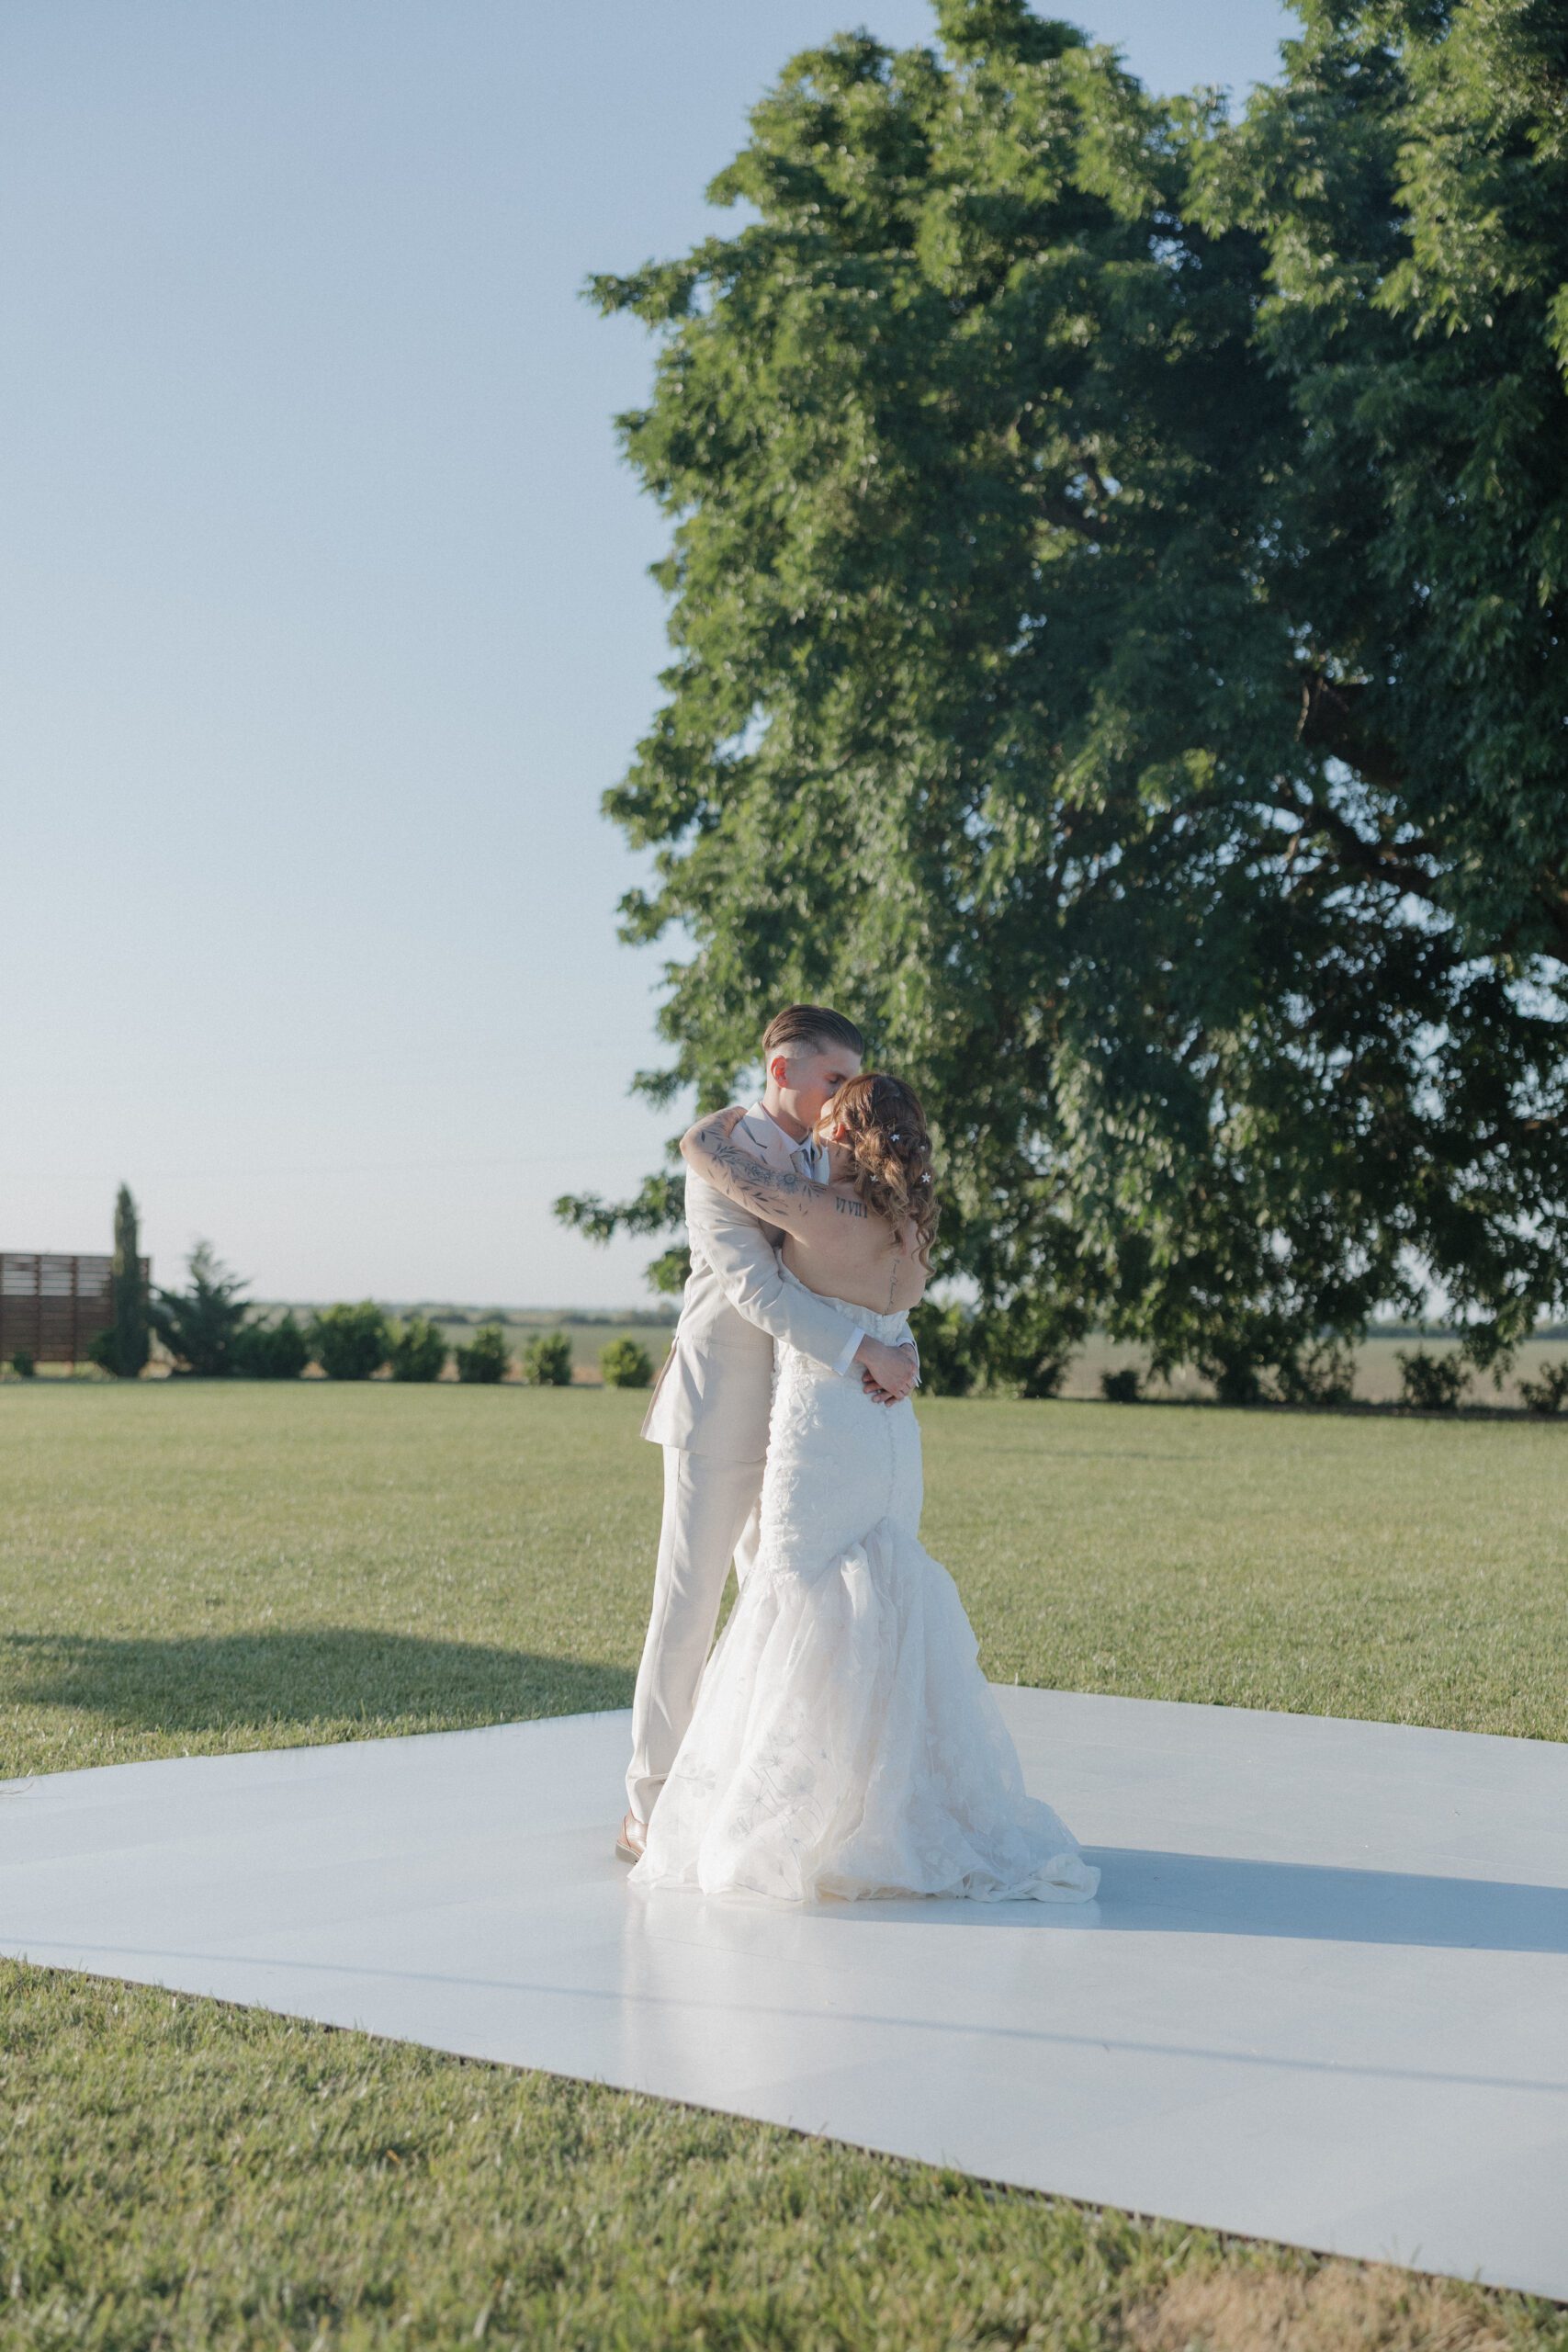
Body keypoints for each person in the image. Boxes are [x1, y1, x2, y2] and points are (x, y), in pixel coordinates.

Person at [627, 1072, 1100, 1905]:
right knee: (882, 1598)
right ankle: (883, 1807)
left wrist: (730, 1116)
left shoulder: (816, 1214)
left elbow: (707, 1156)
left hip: (825, 1433)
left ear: (846, 1136)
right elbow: (894, 1320)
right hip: (888, 1432)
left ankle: (785, 1816)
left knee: (794, 1599)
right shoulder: (912, 1229)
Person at [618, 1006, 920, 1865]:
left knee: (781, 1616)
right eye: (833, 1079)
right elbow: (752, 1288)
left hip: (808, 1421)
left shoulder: (841, 1157)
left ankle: (763, 1804)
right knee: (686, 1609)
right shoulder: (717, 1161)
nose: (844, 1097)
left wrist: (884, 1345)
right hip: (719, 1407)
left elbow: (872, 1266)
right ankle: (647, 1804)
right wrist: (857, 1348)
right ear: (783, 1073)